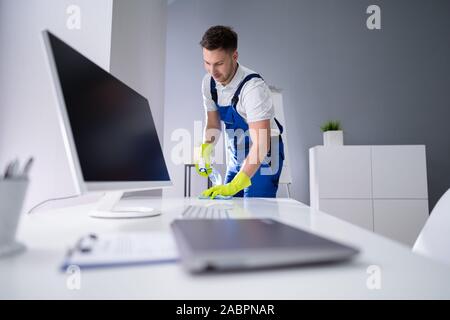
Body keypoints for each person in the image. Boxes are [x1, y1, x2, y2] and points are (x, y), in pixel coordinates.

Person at [196, 25, 284, 199]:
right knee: (228, 211)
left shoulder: (252, 88)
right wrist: (206, 149)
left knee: (254, 215)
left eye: (219, 64)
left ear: (234, 56)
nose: (212, 71)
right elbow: (213, 124)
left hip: (265, 156)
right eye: (207, 63)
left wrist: (236, 184)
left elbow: (261, 144)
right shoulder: (209, 83)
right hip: (237, 154)